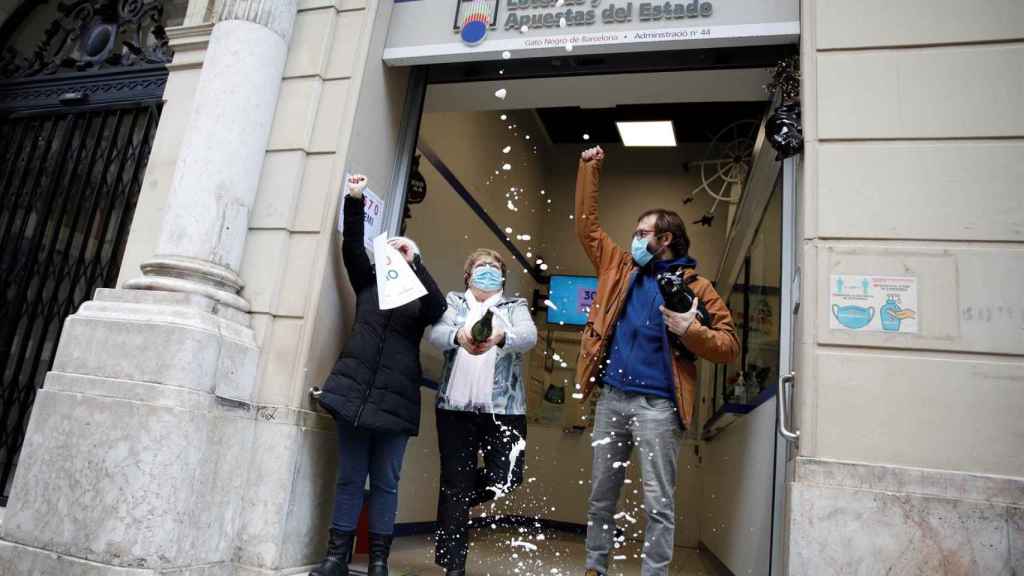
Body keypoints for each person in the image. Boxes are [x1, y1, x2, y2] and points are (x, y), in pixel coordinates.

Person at [573, 146, 739, 576]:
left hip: (659, 407)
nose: (634, 238)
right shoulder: (618, 267)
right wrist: (589, 168)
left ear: (664, 239)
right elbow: (586, 226)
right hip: (611, 400)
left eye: (642, 231)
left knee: (658, 502)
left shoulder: (699, 288)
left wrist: (690, 330)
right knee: (600, 495)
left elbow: (729, 345)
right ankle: (595, 567)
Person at [311, 174, 447, 576]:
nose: (395, 258)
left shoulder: (420, 299)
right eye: (392, 252)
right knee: (350, 478)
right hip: (354, 395)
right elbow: (352, 246)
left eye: (402, 255)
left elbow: (439, 308)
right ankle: (336, 558)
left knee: (386, 482)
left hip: (396, 402)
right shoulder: (368, 284)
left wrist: (416, 260)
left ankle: (379, 562)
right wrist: (354, 199)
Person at [427, 249, 538, 576]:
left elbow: (529, 336)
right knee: (456, 482)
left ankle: (455, 501)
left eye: (494, 267)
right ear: (468, 275)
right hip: (454, 409)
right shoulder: (454, 303)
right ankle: (454, 566)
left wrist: (502, 336)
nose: (488, 270)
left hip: (504, 411)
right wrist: (457, 335)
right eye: (480, 266)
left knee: (507, 477)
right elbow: (436, 335)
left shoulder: (514, 306)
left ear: (502, 277)